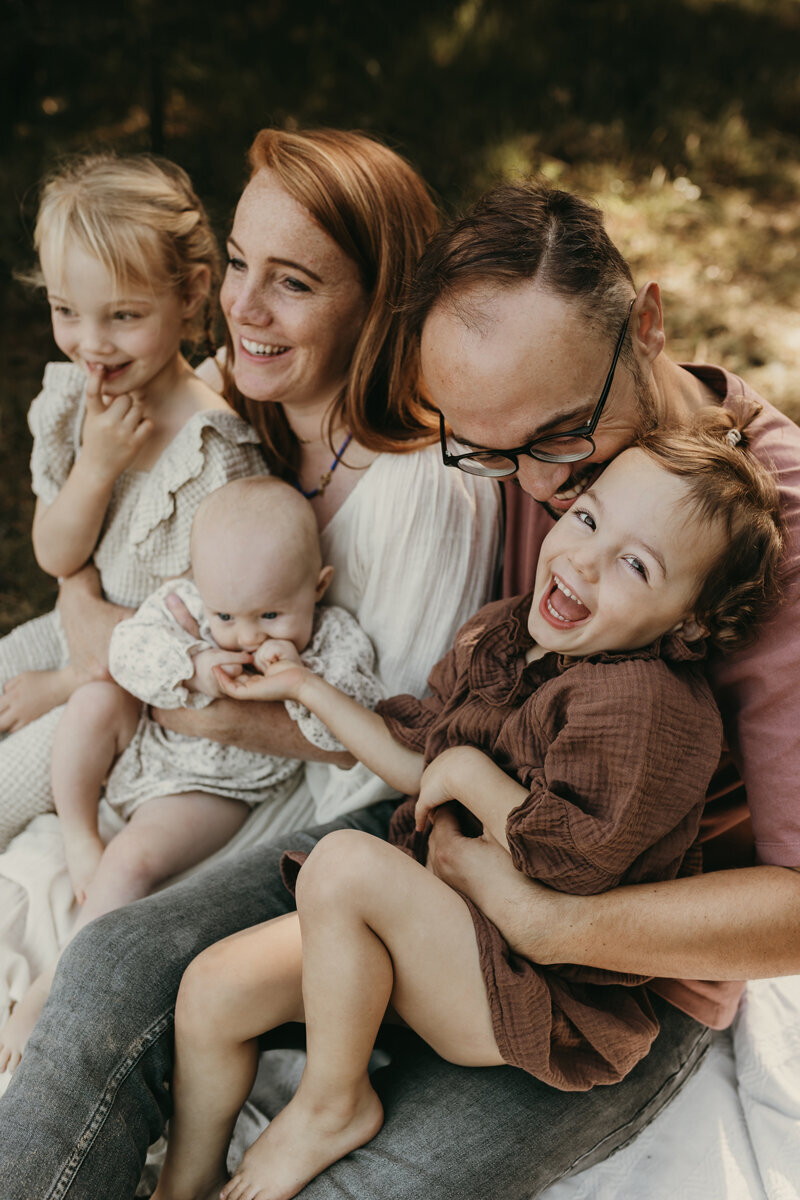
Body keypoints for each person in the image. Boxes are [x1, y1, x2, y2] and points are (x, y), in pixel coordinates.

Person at [0, 129, 502, 1199]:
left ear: (376, 300)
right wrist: (90, 619)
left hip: (278, 811)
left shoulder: (426, 491)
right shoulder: (240, 392)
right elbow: (105, 559)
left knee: (95, 950)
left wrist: (192, 716)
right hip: (148, 713)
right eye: (236, 264)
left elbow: (380, 760)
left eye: (293, 282)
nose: (244, 307)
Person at [150, 415, 782, 1200]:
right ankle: (181, 1186)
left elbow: (571, 868)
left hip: (530, 989)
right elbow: (420, 762)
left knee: (344, 864)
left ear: (689, 619)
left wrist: (471, 778)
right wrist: (307, 689)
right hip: (434, 933)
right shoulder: (507, 634)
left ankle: (332, 1102)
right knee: (212, 991)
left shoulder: (647, 708)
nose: (583, 561)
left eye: (636, 566)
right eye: (587, 519)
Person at [0, 475, 385, 1072]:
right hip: (144, 747)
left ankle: (53, 984)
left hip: (212, 788)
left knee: (131, 859)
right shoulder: (192, 610)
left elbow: (354, 724)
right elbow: (127, 650)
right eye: (226, 614)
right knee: (93, 702)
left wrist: (298, 685)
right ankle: (79, 832)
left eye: (272, 614)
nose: (247, 635)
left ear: (319, 587)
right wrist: (195, 664)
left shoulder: (332, 641)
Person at [0, 151, 269, 851]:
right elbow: (56, 553)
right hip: (73, 636)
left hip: (134, 697)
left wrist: (61, 685)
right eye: (66, 311)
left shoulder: (217, 455)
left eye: (122, 315)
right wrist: (96, 466)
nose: (92, 343)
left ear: (192, 293)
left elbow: (201, 635)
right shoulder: (74, 403)